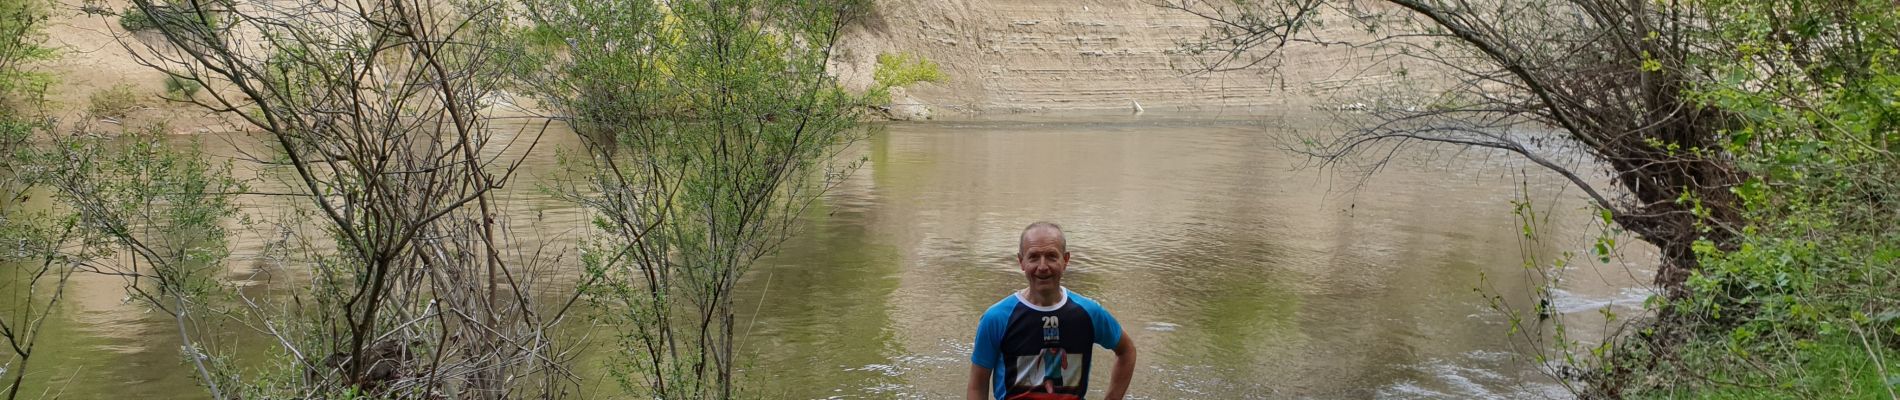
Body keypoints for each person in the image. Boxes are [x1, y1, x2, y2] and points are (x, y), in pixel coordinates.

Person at [968, 222, 1136, 400]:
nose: (1042, 267)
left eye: (1051, 256)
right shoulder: (996, 318)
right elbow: (977, 387)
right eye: (1033, 257)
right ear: (1021, 261)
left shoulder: (1088, 313)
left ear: (1065, 260)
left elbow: (1127, 351)